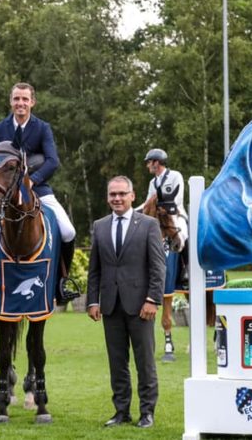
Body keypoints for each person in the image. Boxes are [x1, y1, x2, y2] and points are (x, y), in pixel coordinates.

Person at [0, 82, 77, 301]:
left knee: (68, 231)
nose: (21, 103)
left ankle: (61, 282)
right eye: (17, 99)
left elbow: (52, 161)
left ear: (32, 102)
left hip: (37, 189)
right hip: (4, 192)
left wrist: (32, 182)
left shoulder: (42, 128)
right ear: (11, 101)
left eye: (25, 99)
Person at [87, 175, 165, 429]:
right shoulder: (99, 226)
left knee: (145, 362)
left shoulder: (149, 225)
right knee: (117, 363)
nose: (117, 198)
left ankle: (147, 413)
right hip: (110, 305)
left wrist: (152, 299)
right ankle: (121, 412)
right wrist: (92, 301)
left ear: (133, 196)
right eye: (113, 194)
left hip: (141, 306)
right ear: (107, 197)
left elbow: (158, 266)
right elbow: (95, 269)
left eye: (122, 194)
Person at [138, 148, 188, 358]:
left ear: (156, 163)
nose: (148, 166)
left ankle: (185, 272)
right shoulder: (152, 183)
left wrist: (153, 203)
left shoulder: (174, 176)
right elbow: (148, 201)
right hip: (156, 217)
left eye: (149, 162)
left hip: (175, 215)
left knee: (184, 236)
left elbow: (173, 200)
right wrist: (135, 210)